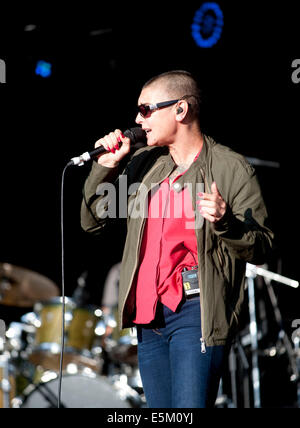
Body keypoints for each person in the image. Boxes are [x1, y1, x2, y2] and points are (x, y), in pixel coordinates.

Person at [80, 70, 274, 408]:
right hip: (148, 315)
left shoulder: (230, 168)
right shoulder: (144, 164)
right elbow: (93, 222)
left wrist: (225, 221)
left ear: (180, 110)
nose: (138, 119)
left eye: (146, 109)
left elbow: (262, 246)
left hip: (195, 310)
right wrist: (105, 168)